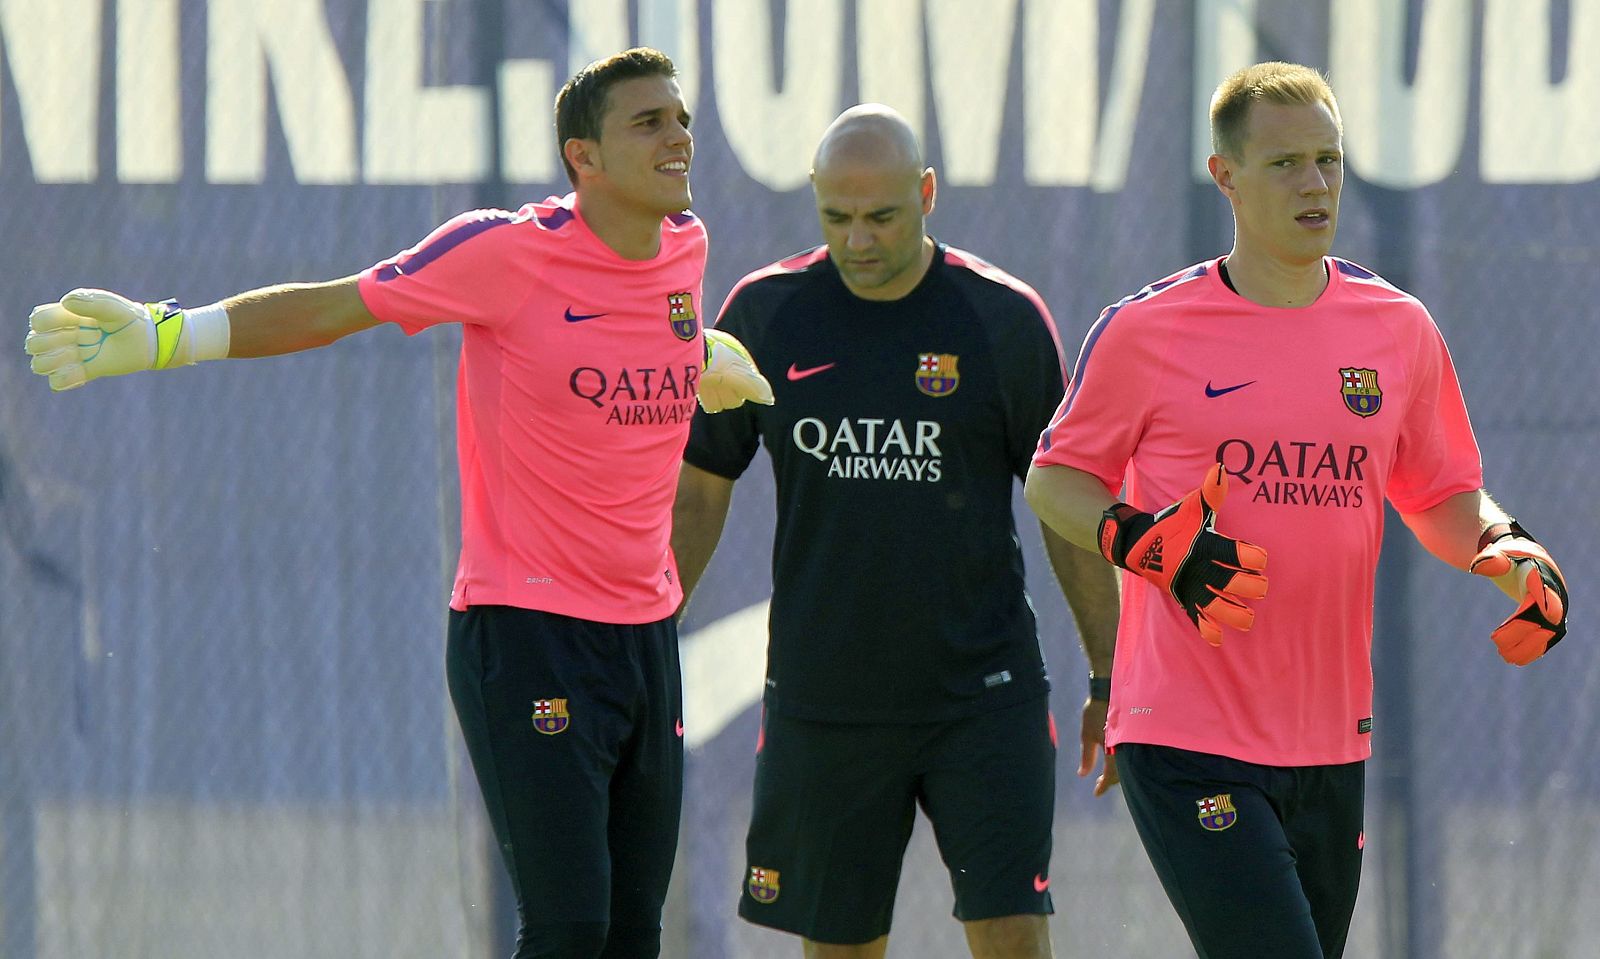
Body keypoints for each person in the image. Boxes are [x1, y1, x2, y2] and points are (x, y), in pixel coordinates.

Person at [24, 47, 774, 959]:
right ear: (583, 157)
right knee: (570, 929)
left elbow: (632, 340)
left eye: (680, 119)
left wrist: (698, 357)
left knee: (629, 937)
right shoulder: (506, 251)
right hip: (528, 632)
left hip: (646, 638)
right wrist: (167, 334)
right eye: (648, 122)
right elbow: (334, 307)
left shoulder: (685, 247)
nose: (678, 137)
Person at [1024, 61, 1570, 959]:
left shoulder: (1397, 328)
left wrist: (1509, 546)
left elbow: (1438, 492)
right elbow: (1056, 479)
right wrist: (1142, 541)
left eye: (1329, 159)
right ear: (1226, 176)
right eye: (1284, 164)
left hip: (1329, 740)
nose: (1315, 184)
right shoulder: (1148, 329)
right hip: (1185, 731)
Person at [670, 104, 1121, 959]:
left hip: (983, 696)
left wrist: (1110, 669)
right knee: (840, 947)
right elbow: (698, 493)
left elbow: (1067, 509)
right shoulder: (765, 315)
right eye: (836, 216)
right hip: (825, 700)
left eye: (881, 216)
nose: (858, 240)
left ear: (927, 193)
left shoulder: (1002, 320)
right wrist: (646, 642)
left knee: (1014, 937)